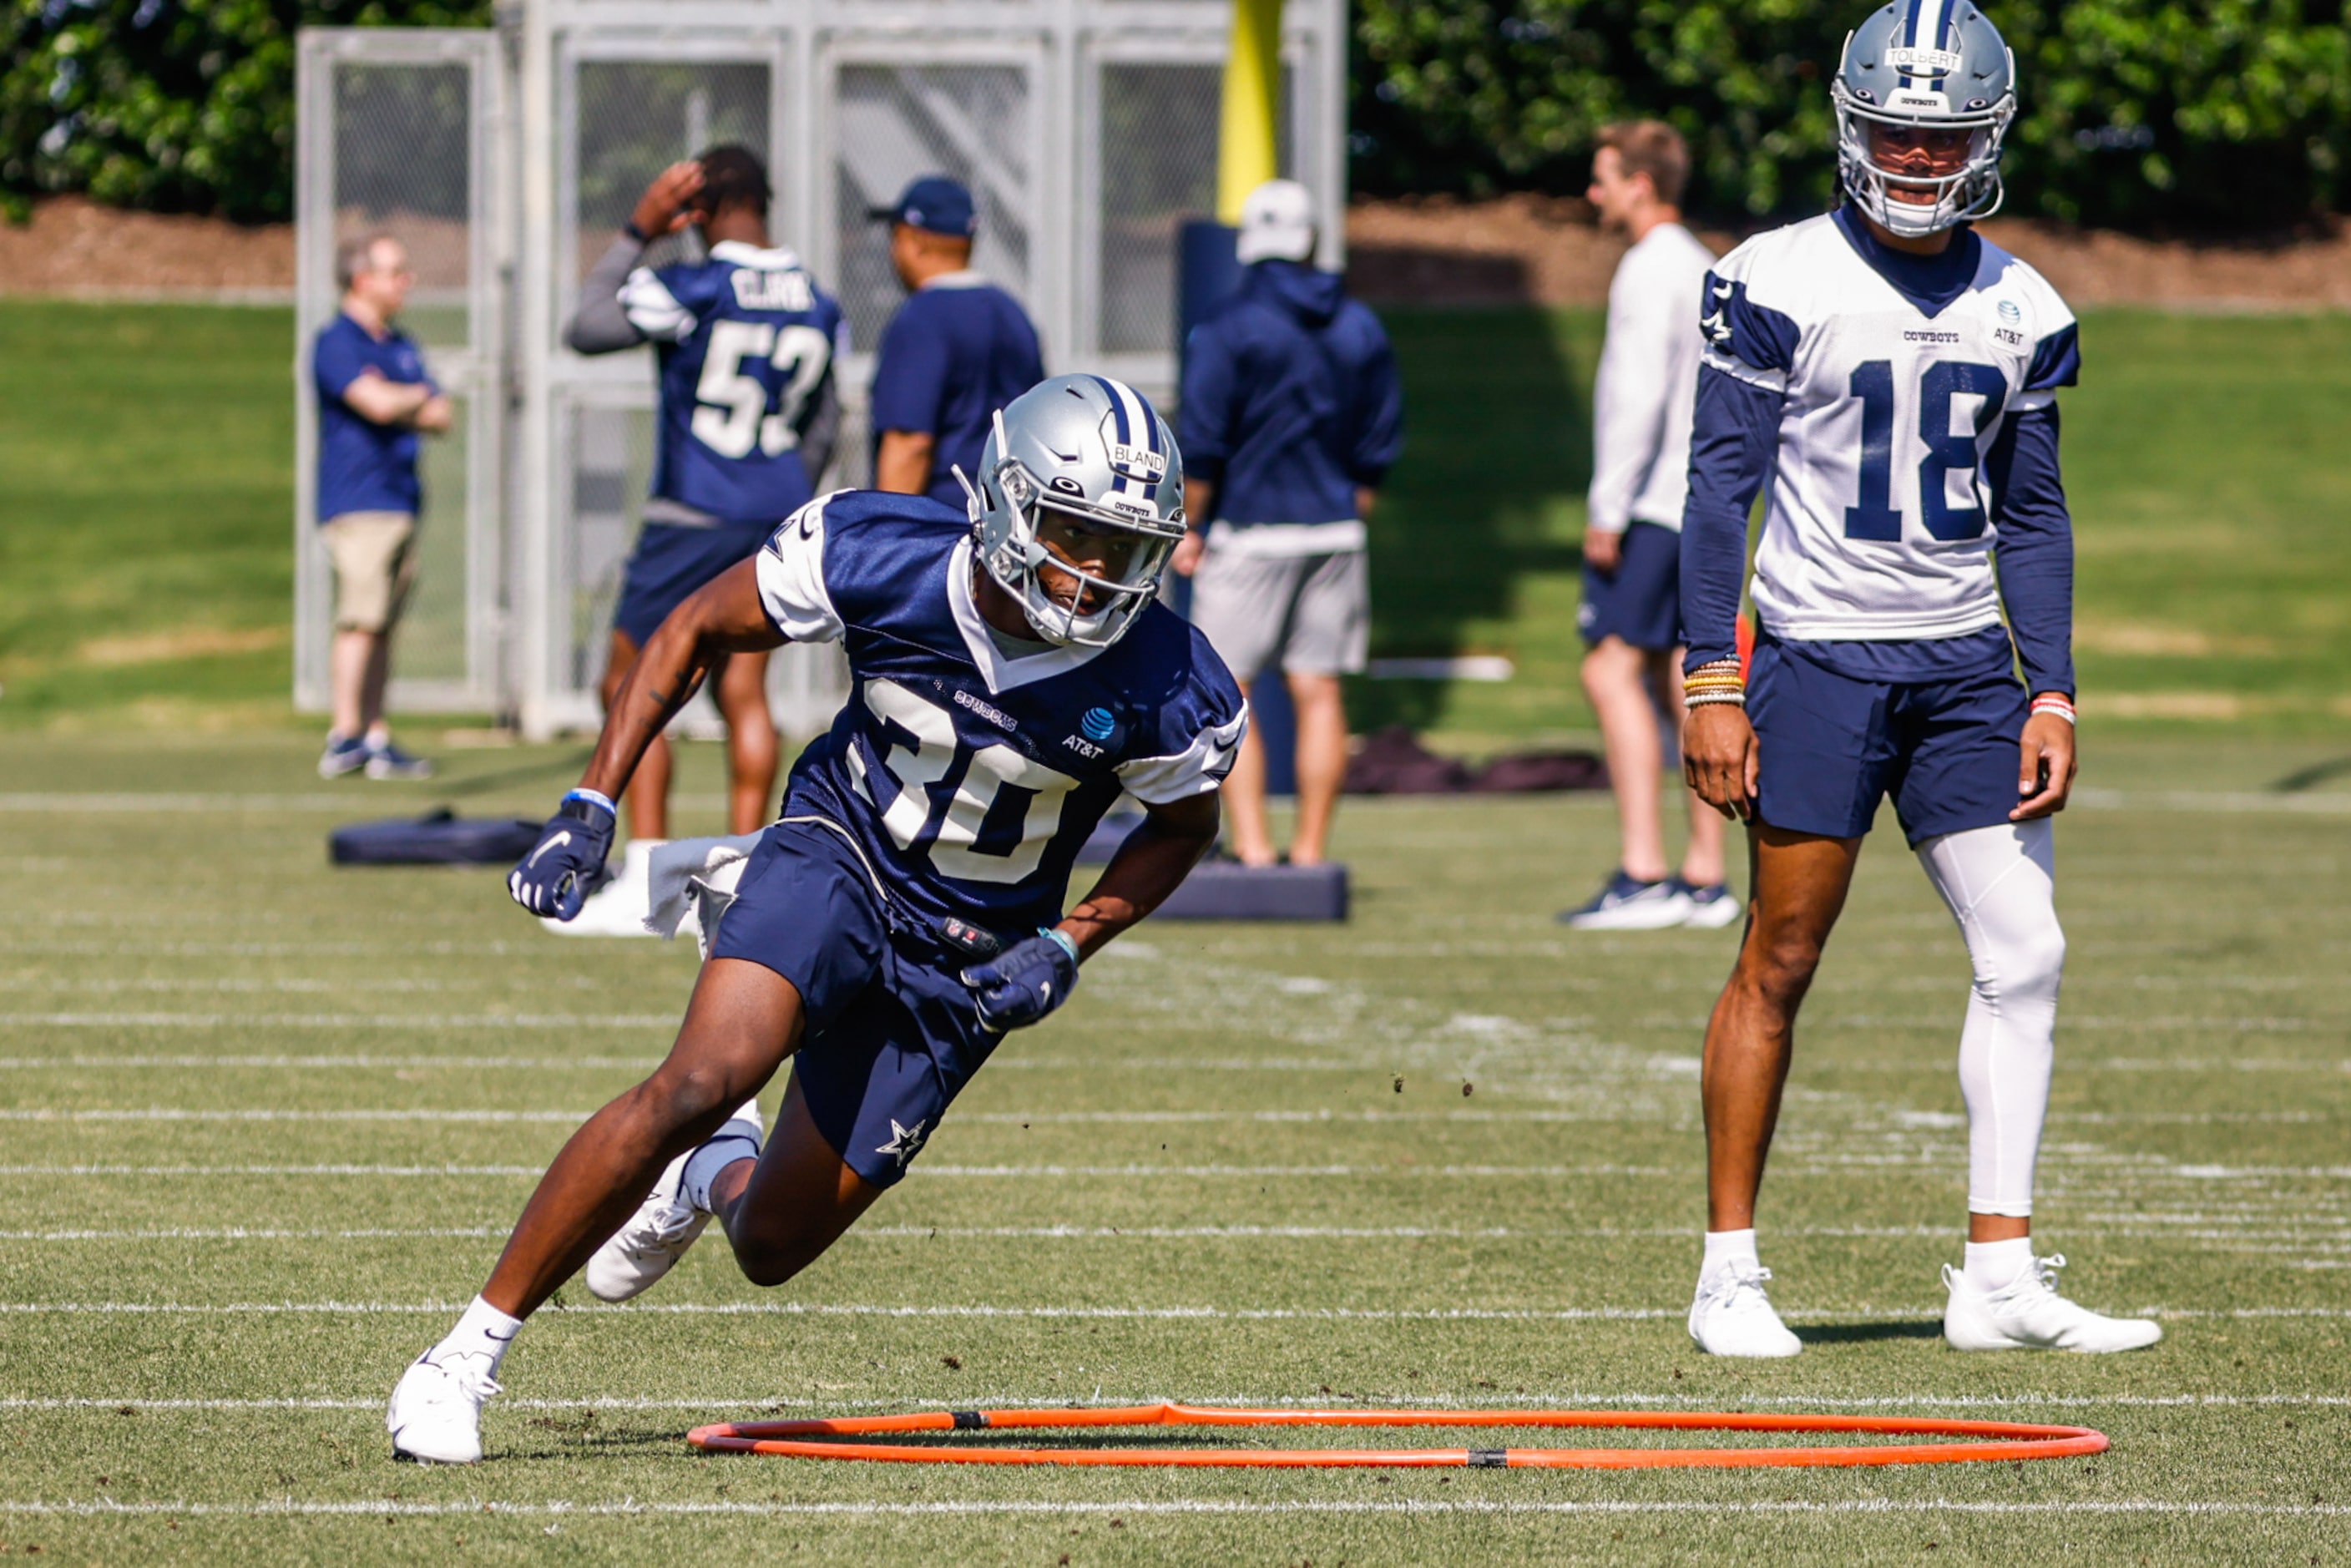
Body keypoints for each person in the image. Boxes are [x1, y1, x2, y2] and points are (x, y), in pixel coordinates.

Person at [385, 376, 1246, 1464]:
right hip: (838, 852)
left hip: (970, 952)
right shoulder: (878, 551)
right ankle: (463, 1354)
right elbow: (694, 625)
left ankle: (708, 1176)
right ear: (1006, 500)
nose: (1093, 573)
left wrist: (1069, 941)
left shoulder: (1172, 678)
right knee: (698, 1081)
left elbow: (1183, 823)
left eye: (1124, 548)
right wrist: (592, 798)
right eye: (1075, 532)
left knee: (773, 1243)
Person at [1676, 0, 2158, 1358]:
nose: (1915, 155)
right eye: (1894, 127)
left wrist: (2050, 684)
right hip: (1818, 658)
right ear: (1848, 120)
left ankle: (1996, 1272)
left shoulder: (2025, 303)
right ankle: (1728, 1269)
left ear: (1986, 140)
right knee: (1781, 950)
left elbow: (2035, 512)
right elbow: (1720, 488)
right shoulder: (1776, 276)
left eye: (1942, 135)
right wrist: (1712, 672)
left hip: (1963, 675)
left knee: (2027, 947)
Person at [562, 145, 847, 925]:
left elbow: (585, 326)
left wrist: (635, 230)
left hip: (694, 509)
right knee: (742, 689)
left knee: (631, 682)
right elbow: (825, 421)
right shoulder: (818, 298)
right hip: (777, 511)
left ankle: (648, 868)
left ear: (697, 210)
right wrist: (782, 493)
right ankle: (751, 864)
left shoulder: (692, 281)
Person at [1172, 179, 1403, 867]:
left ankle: (1254, 847)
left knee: (1228, 695)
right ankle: (1308, 853)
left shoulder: (1226, 326)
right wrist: (1356, 497)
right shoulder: (1359, 322)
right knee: (1319, 689)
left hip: (1250, 531)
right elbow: (1381, 432)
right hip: (1334, 529)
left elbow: (1205, 441)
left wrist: (1188, 525)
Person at [1560, 123, 1735, 932]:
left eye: (1601, 178)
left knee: (1608, 671)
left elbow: (1636, 398)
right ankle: (1705, 876)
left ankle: (1643, 871)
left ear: (1639, 182)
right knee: (1679, 672)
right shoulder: (1705, 266)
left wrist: (1607, 507)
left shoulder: (1646, 268)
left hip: (1652, 504)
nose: (1592, 194)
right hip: (1701, 503)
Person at [311, 234, 450, 781]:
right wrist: (402, 398)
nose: (406, 281)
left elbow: (440, 414)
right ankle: (343, 736)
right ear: (362, 280)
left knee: (385, 625)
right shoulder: (336, 341)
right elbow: (372, 402)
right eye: (396, 272)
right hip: (359, 500)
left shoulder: (400, 344)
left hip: (401, 499)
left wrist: (401, 399)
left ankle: (375, 734)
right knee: (361, 620)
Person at [865, 175, 1047, 505]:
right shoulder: (1013, 313)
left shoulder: (922, 318)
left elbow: (910, 445)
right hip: (1012, 522)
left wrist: (886, 534)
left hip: (944, 531)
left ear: (914, 240)